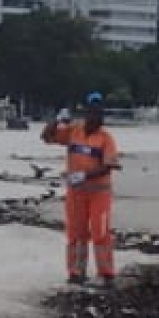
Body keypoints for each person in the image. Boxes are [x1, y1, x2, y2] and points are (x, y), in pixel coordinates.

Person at [42, 91, 120, 286]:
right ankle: (76, 272)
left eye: (100, 114)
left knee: (100, 232)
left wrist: (85, 175)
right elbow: (46, 136)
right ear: (86, 114)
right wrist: (57, 120)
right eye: (94, 113)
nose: (98, 118)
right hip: (76, 193)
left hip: (99, 194)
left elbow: (108, 165)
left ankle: (106, 274)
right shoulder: (73, 131)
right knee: (76, 233)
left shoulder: (106, 138)